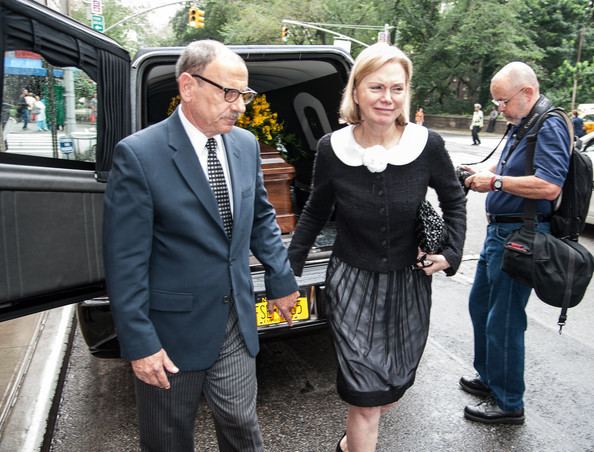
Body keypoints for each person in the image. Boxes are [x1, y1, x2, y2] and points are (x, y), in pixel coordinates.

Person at [103, 40, 300, 452]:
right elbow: (126, 262)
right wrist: (140, 343)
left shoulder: (246, 146)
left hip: (235, 320)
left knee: (242, 428)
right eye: (229, 93)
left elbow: (261, 217)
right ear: (188, 86)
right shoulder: (139, 155)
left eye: (244, 95)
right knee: (168, 439)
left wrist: (281, 279)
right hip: (170, 333)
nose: (240, 106)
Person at [288, 43, 466, 452]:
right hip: (352, 281)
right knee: (364, 395)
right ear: (355, 92)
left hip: (408, 283)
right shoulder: (332, 149)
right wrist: (288, 273)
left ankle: (350, 444)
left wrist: (451, 253)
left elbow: (454, 200)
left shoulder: (428, 145)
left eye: (397, 88)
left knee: (391, 389)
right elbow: (315, 212)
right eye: (376, 87)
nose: (387, 98)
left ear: (406, 94)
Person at [460, 62, 570, 425]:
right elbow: (513, 172)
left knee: (504, 319)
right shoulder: (525, 123)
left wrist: (495, 183)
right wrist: (483, 175)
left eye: (502, 102)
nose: (499, 110)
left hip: (521, 235)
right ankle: (490, 378)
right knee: (481, 306)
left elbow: (549, 185)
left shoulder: (549, 123)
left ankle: (509, 403)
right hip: (501, 233)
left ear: (527, 93)